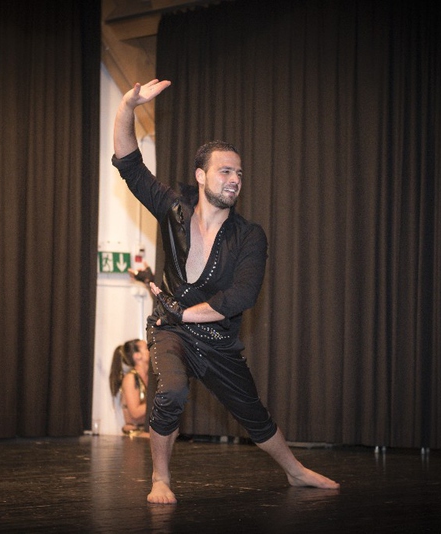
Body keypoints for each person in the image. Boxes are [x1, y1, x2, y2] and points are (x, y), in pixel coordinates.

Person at [112, 79, 340, 504]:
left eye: (239, 173)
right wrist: (127, 107)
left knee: (254, 414)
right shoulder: (173, 210)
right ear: (201, 176)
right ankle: (161, 478)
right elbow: (129, 164)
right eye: (225, 171)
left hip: (216, 339)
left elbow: (241, 297)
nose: (235, 179)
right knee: (171, 393)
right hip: (170, 332)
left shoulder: (249, 236)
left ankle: (295, 471)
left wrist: (183, 312)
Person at [109, 339, 150, 438]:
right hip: (135, 433)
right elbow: (135, 413)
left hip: (148, 430)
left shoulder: (150, 377)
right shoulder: (131, 378)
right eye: (147, 348)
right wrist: (160, 401)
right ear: (137, 356)